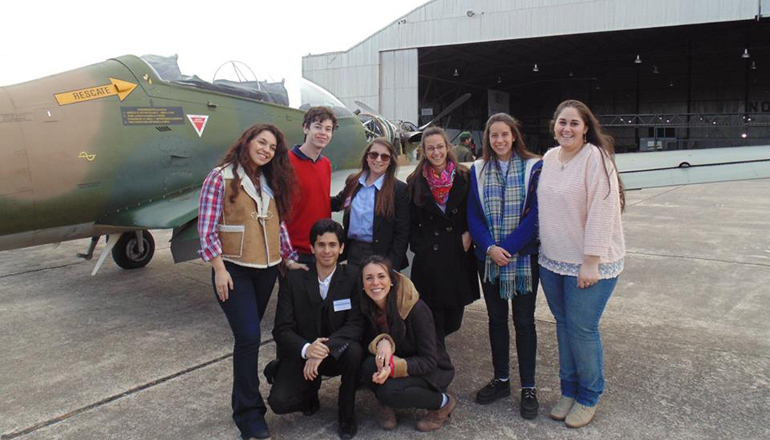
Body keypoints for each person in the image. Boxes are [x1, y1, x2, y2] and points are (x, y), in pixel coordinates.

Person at [197, 123, 305, 440]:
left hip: (266, 269)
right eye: (262, 143)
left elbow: (278, 225)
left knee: (249, 339)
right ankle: (249, 415)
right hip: (234, 270)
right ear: (247, 142)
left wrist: (288, 259)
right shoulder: (220, 177)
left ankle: (244, 404)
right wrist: (219, 269)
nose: (266, 150)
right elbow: (206, 228)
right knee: (248, 338)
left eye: (272, 147)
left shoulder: (269, 180)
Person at [537, 99, 626, 428]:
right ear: (554, 126)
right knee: (563, 326)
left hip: (589, 263)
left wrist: (591, 261)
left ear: (586, 127)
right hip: (553, 261)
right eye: (562, 122)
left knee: (582, 329)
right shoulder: (549, 158)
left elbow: (604, 210)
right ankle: (569, 391)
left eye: (574, 123)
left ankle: (589, 395)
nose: (567, 128)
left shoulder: (596, 158)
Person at [467, 113, 543, 419]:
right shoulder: (477, 169)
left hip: (522, 258)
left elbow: (536, 215)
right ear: (487, 138)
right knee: (496, 319)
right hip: (489, 259)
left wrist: (507, 248)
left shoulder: (534, 167)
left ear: (514, 136)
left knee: (524, 322)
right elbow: (473, 215)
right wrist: (490, 247)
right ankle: (501, 380)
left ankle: (528, 387)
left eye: (504, 134)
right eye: (493, 135)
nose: (499, 140)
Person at [265, 219, 364, 439]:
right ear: (311, 248)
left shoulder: (353, 276)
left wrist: (324, 349)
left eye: (332, 245)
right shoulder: (293, 279)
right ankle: (300, 386)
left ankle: (346, 415)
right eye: (321, 245)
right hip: (303, 353)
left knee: (355, 351)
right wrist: (307, 349)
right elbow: (281, 329)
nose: (327, 251)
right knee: (279, 402)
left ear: (341, 248)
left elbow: (356, 324)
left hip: (337, 352)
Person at [359, 255, 456, 432]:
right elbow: (365, 340)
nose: (375, 283)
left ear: (391, 281)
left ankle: (443, 403)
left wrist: (393, 368)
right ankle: (386, 403)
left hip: (430, 371)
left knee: (389, 392)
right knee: (367, 366)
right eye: (369, 278)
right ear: (363, 285)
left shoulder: (415, 309)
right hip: (398, 362)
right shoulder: (369, 306)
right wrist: (382, 341)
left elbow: (429, 361)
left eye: (381, 276)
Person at [406, 126, 479, 348]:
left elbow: (474, 210)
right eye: (430, 148)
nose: (436, 152)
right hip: (430, 260)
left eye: (439, 147)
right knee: (433, 321)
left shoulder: (465, 177)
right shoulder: (415, 181)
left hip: (458, 255)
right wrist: (422, 246)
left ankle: (436, 354)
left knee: (453, 322)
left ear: (448, 147)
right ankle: (437, 363)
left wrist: (468, 234)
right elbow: (410, 222)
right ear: (424, 151)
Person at [331, 138, 409, 270]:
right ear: (367, 157)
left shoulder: (398, 190)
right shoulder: (353, 182)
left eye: (384, 157)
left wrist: (391, 265)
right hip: (354, 251)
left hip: (381, 255)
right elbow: (337, 203)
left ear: (390, 161)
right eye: (374, 155)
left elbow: (402, 232)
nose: (378, 160)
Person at [286, 106, 337, 265]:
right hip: (295, 252)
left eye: (328, 129)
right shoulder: (286, 162)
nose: (323, 132)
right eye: (318, 127)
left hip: (321, 249)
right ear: (306, 128)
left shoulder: (326, 164)